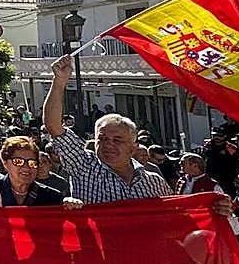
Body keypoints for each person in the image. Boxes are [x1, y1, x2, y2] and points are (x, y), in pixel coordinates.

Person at [44, 57, 180, 204]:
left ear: (133, 147)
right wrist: (59, 81)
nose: (108, 145)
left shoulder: (154, 183)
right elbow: (54, 126)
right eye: (102, 139)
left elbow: (175, 213)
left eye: (117, 140)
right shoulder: (85, 167)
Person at [0, 135, 83, 209]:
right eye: (18, 161)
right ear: (5, 163)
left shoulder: (52, 197)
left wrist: (69, 204)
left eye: (32, 163)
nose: (26, 167)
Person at [203, 128, 239, 196]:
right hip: (210, 178)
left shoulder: (230, 148)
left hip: (226, 179)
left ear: (225, 136)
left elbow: (237, 164)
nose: (217, 138)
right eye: (214, 135)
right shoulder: (207, 146)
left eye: (219, 136)